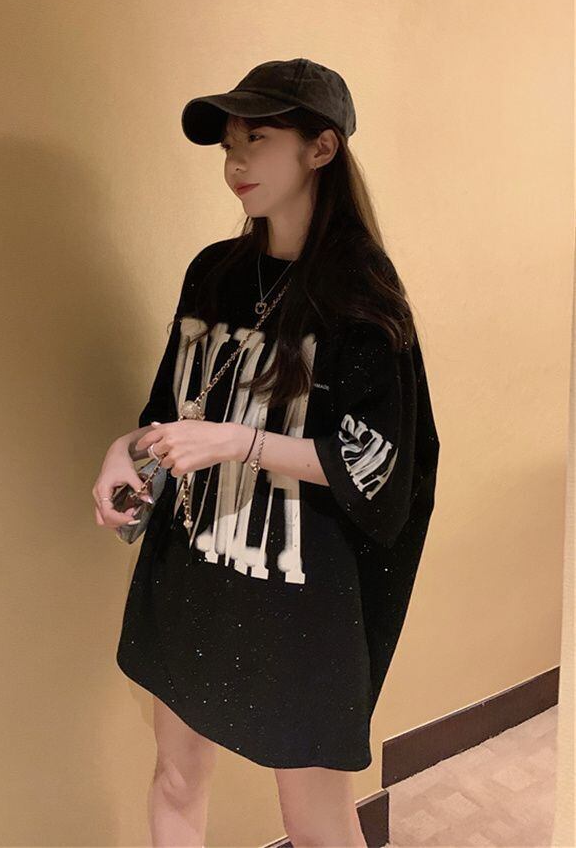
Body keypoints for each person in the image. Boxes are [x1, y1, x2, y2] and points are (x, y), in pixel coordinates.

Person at [92, 58, 441, 848]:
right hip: (191, 568)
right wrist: (123, 452)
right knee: (177, 777)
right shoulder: (213, 274)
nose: (236, 161)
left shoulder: (362, 296)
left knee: (314, 821)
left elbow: (379, 463)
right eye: (229, 144)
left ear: (321, 148)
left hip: (299, 590)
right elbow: (171, 412)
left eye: (258, 138)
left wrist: (240, 441)